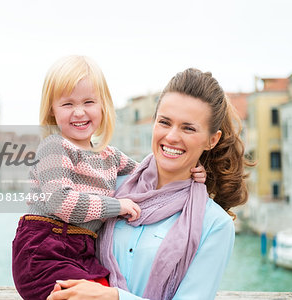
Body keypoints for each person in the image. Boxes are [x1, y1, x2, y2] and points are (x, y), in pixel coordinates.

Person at [47, 68, 252, 300]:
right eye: (164, 122)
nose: (172, 136)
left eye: (188, 128)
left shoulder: (215, 224)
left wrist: (114, 297)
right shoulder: (111, 184)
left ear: (211, 140)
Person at [12, 57, 207, 300]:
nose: (79, 112)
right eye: (67, 104)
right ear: (52, 110)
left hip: (82, 251)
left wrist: (192, 170)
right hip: (44, 249)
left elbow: (151, 173)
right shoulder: (54, 148)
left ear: (103, 106)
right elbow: (62, 202)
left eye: (89, 102)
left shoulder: (108, 156)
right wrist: (117, 206)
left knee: (104, 291)